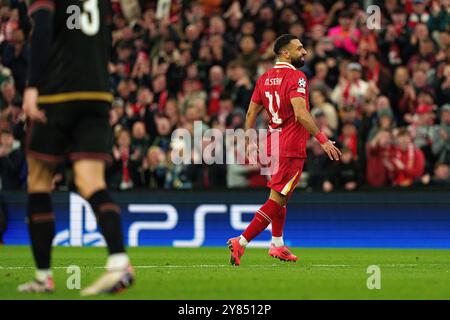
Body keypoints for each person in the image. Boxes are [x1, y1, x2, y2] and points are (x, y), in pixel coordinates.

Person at [19, 0, 134, 295]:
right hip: (97, 93)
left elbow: (42, 29)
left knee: (39, 181)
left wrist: (32, 86)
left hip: (59, 94)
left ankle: (43, 276)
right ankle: (119, 261)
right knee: (90, 182)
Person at [227, 34, 341, 265]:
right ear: (285, 53)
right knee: (278, 198)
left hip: (272, 145)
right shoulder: (297, 77)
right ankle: (242, 241)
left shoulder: (264, 78)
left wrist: (249, 139)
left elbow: (250, 114)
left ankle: (277, 245)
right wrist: (323, 139)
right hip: (290, 148)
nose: (305, 52)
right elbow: (300, 113)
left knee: (281, 197)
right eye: (299, 48)